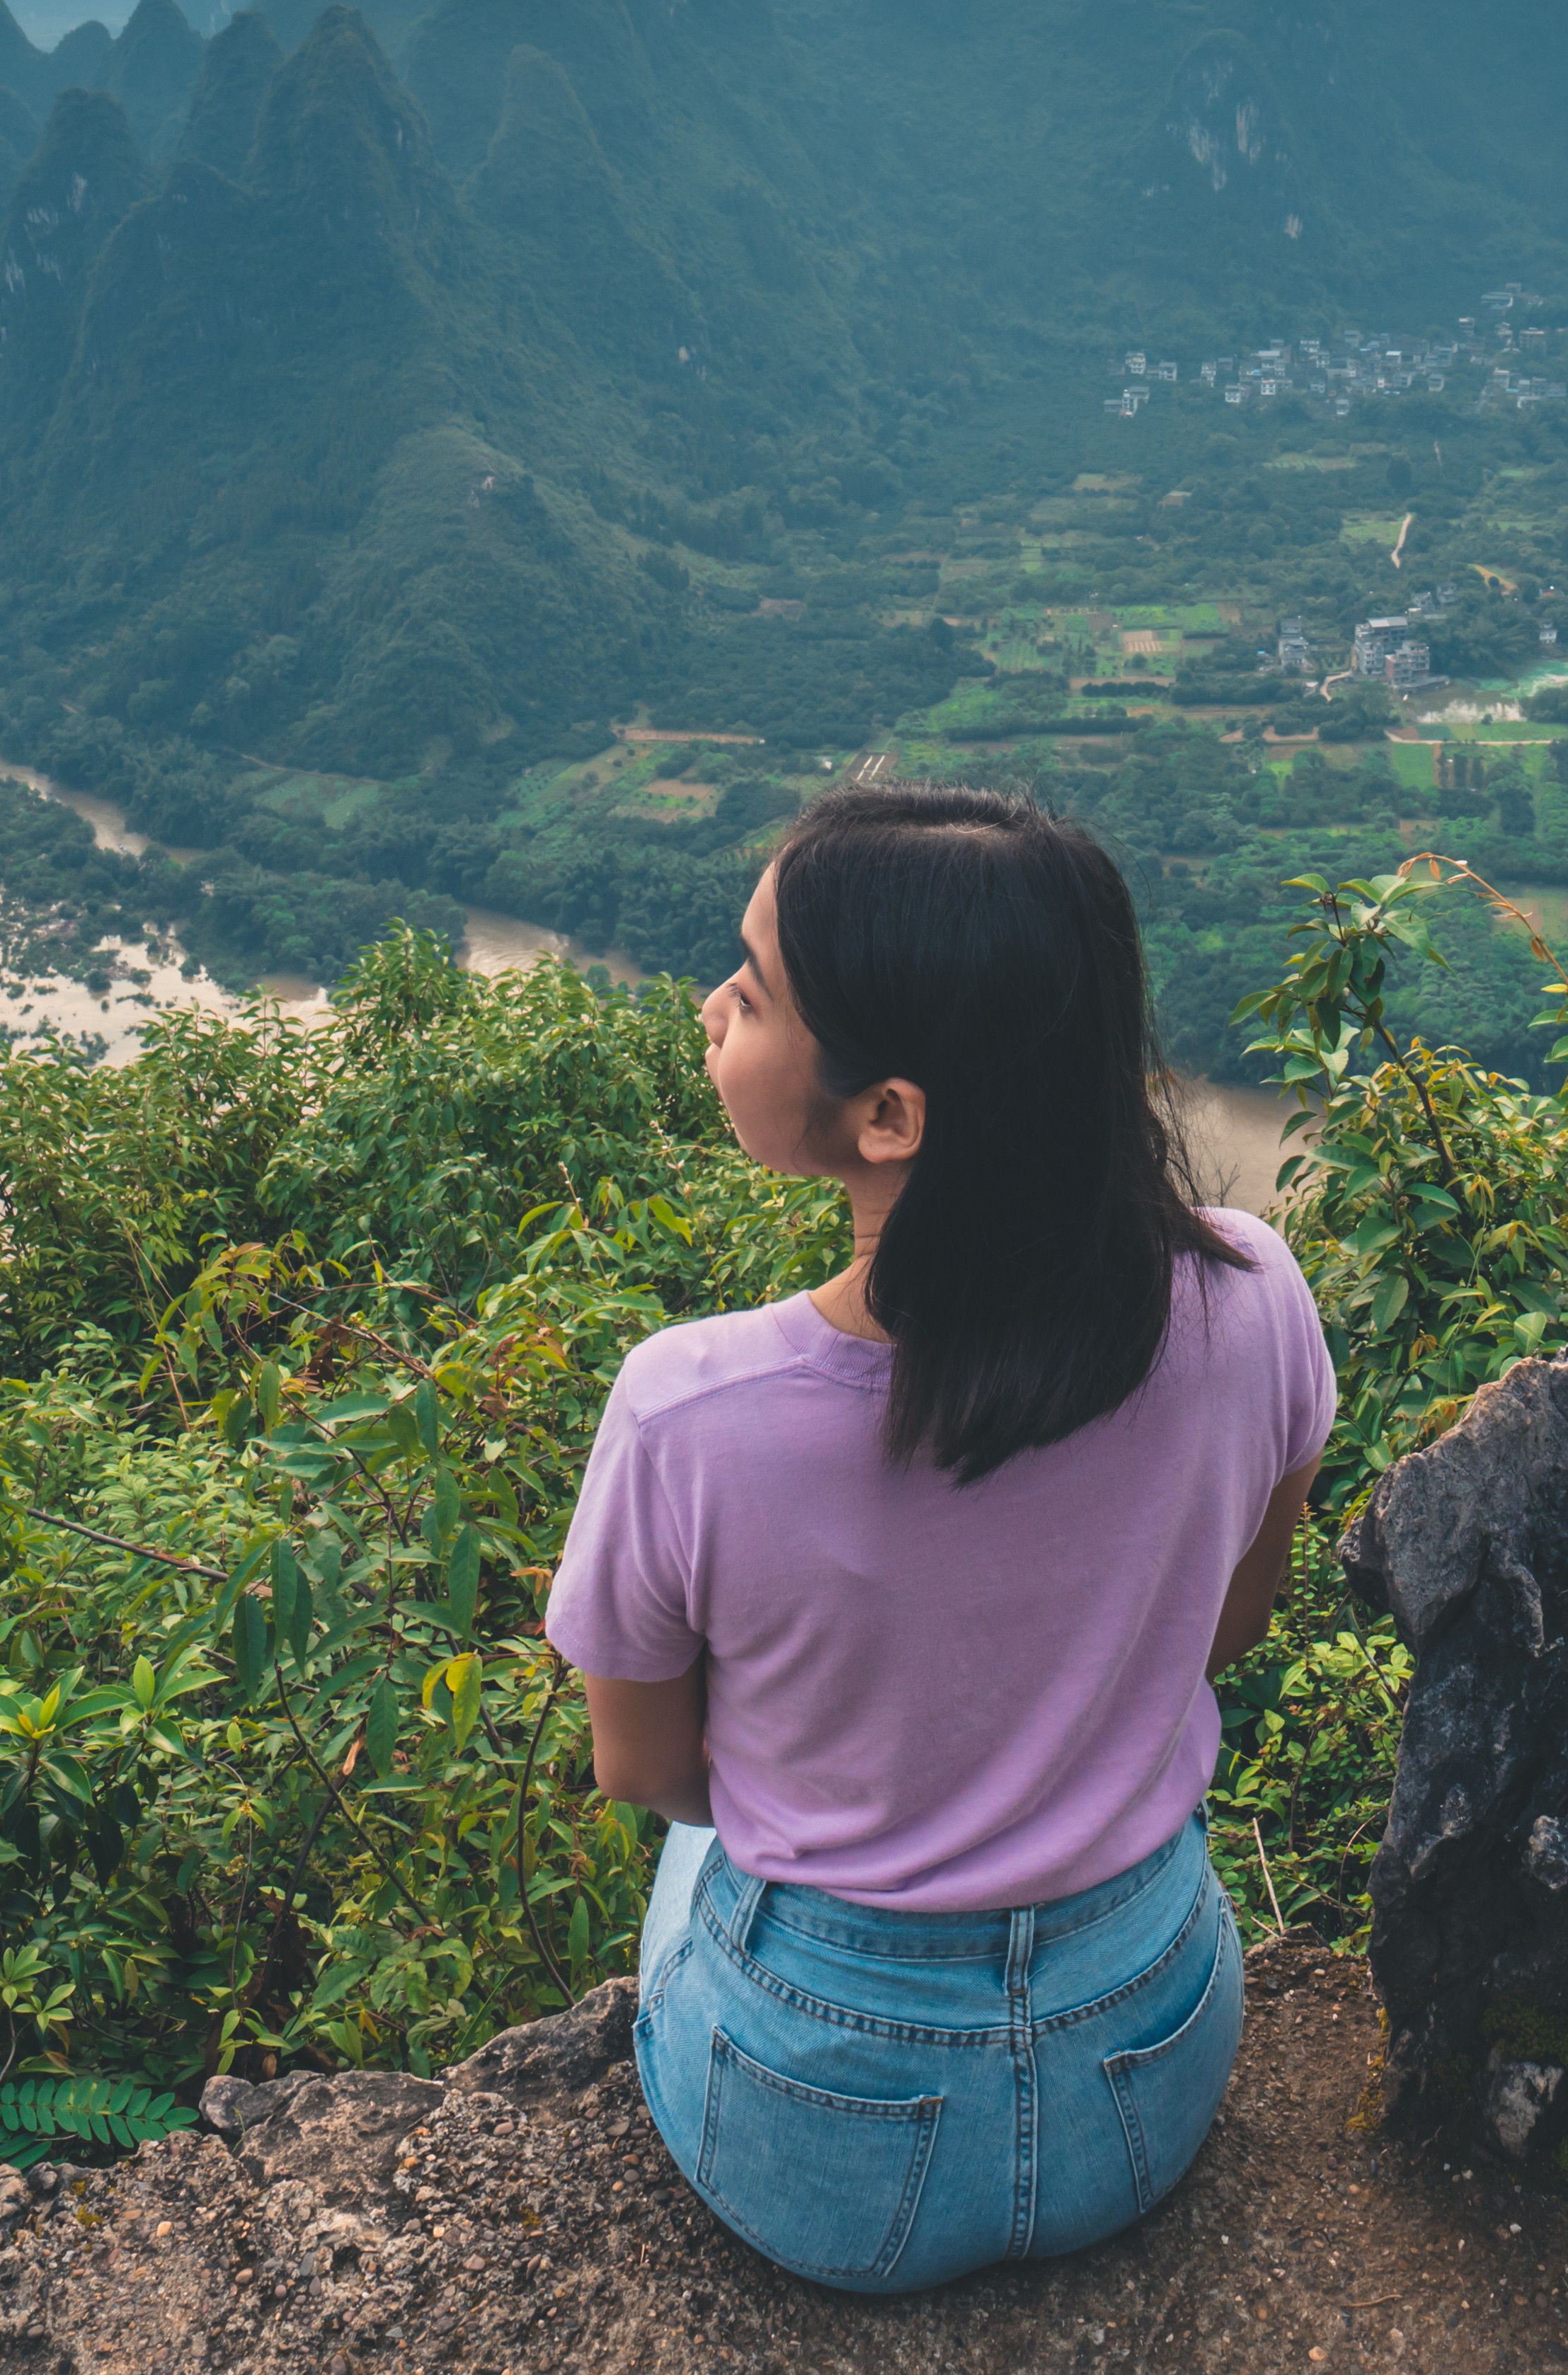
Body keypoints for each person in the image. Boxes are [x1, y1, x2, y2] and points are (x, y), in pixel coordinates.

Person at [543, 784, 1334, 2293]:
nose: (712, 1008)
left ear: (888, 1113)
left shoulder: (689, 1410)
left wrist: (867, 1788)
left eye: (754, 989)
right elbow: (1228, 1624)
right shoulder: (1253, 1295)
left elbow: (648, 1770)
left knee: (696, 1854)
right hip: (1152, 2059)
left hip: (821, 2133)